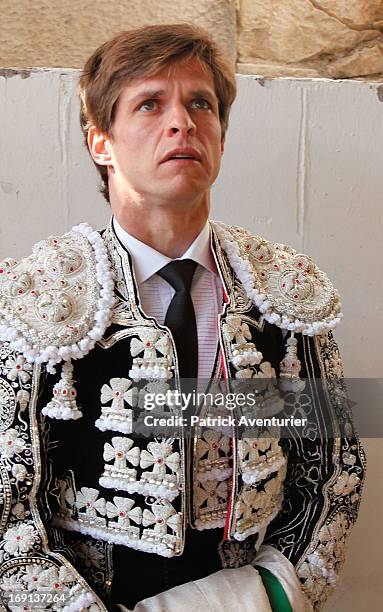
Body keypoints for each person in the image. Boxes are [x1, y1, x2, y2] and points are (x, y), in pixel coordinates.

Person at [0, 23, 365, 612]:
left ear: (221, 132)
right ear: (101, 143)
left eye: (201, 103)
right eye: (150, 104)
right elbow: (7, 512)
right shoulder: (37, 296)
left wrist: (271, 595)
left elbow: (332, 473)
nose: (183, 122)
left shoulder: (284, 290)